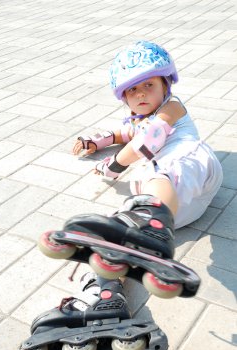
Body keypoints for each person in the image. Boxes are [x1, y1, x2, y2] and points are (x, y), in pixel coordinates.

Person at [72, 40, 223, 230]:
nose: (141, 94)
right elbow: (125, 134)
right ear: (124, 97)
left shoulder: (172, 107)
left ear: (165, 86)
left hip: (192, 167)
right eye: (133, 89)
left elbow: (148, 139)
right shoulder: (140, 121)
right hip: (183, 202)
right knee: (149, 184)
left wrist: (114, 164)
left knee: (156, 172)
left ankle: (147, 221)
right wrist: (96, 141)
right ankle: (145, 232)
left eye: (149, 85)